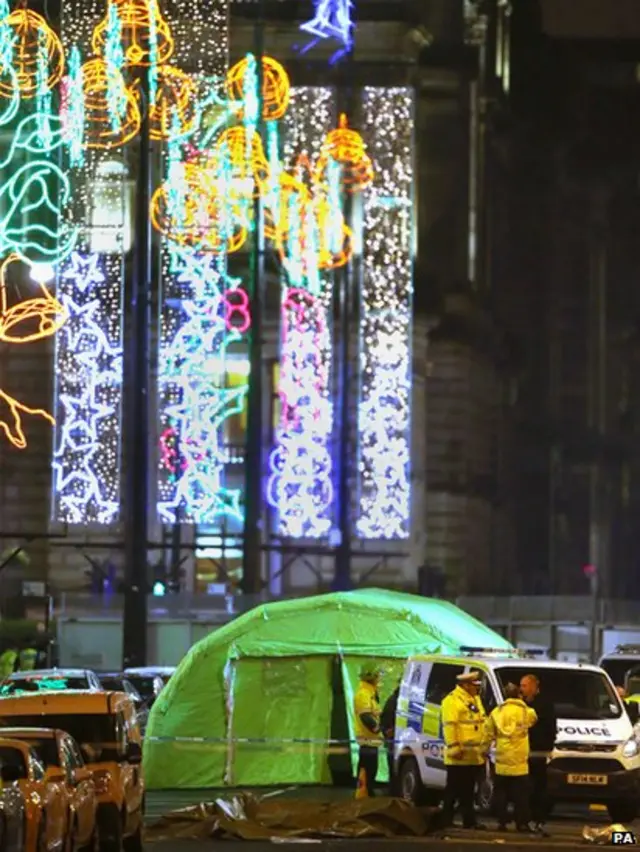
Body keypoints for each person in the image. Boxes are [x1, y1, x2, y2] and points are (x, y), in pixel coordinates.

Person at [486, 683, 537, 833]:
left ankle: (502, 822)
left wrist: (483, 750)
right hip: (519, 761)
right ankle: (522, 823)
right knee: (521, 796)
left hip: (502, 759)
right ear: (519, 695)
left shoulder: (497, 712)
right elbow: (534, 718)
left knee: (501, 792)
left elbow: (488, 733)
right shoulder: (526, 712)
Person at [440, 671, 488, 830]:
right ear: (465, 685)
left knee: (468, 790)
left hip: (472, 754)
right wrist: (454, 747)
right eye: (475, 685)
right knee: (452, 790)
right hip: (459, 755)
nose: (477, 688)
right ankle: (446, 819)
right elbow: (449, 726)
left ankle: (469, 821)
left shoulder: (474, 699)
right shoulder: (452, 701)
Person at [520, 673, 556, 836]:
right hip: (525, 751)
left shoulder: (544, 704)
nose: (522, 689)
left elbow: (547, 727)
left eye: (525, 686)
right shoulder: (523, 704)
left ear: (534, 687)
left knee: (538, 787)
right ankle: (527, 819)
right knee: (526, 788)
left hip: (538, 751)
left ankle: (538, 818)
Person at [353, 664, 383, 797]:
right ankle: (363, 794)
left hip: (371, 740)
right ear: (372, 678)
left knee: (371, 769)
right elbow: (365, 715)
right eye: (378, 676)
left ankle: (366, 792)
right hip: (367, 739)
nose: (379, 678)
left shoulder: (370, 693)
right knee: (367, 769)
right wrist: (377, 729)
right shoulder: (363, 694)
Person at [380, 680, 400, 792]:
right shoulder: (394, 701)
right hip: (392, 738)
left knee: (393, 766)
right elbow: (385, 720)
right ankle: (393, 791)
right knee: (393, 766)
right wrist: (388, 731)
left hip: (394, 738)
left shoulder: (394, 700)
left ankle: (393, 790)